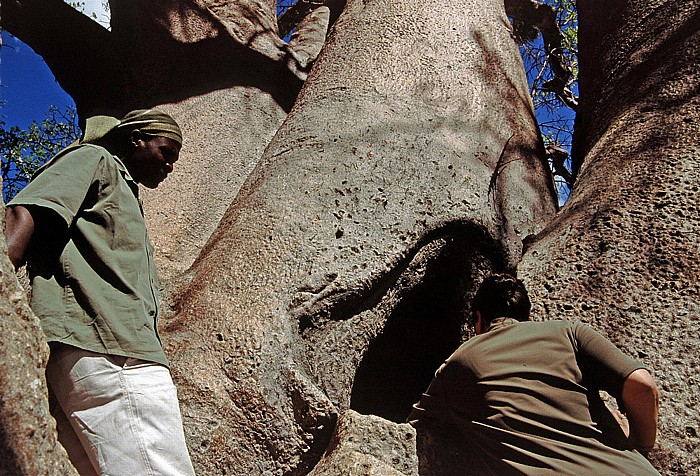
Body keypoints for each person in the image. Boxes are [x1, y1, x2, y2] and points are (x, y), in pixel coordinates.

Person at [5, 109, 196, 475]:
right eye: (166, 151)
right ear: (136, 138)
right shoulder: (95, 159)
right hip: (111, 350)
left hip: (95, 350)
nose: (170, 165)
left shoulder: (124, 190)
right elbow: (28, 210)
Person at [408, 273, 660, 474]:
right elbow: (641, 384)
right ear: (527, 315)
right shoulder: (568, 332)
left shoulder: (460, 361)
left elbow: (413, 428)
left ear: (479, 319)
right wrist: (638, 444)